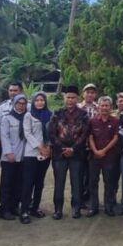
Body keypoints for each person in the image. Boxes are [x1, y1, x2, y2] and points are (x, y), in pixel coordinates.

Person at [51, 85, 91, 219]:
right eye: (68, 97)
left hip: (77, 154)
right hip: (59, 154)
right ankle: (58, 209)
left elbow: (84, 134)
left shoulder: (83, 114)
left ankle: (76, 208)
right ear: (64, 98)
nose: (70, 100)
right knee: (59, 182)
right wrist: (63, 148)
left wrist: (73, 148)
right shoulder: (57, 113)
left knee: (77, 182)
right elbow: (52, 133)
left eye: (73, 98)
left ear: (77, 98)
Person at [20, 92, 53, 223]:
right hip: (32, 153)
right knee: (28, 182)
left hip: (45, 154)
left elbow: (52, 132)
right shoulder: (28, 115)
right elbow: (27, 133)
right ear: (33, 102)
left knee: (40, 182)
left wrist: (48, 147)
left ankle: (35, 207)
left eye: (42, 100)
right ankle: (24, 210)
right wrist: (40, 147)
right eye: (37, 100)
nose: (40, 102)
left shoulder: (50, 115)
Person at [88, 96, 121, 216]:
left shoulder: (115, 121)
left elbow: (116, 138)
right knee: (93, 182)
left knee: (109, 182)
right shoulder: (92, 121)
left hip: (109, 156)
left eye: (107, 105)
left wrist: (104, 150)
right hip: (94, 157)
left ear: (110, 107)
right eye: (102, 105)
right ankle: (94, 207)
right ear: (98, 107)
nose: (104, 108)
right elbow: (90, 137)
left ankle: (108, 207)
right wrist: (96, 151)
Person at [0, 94, 28, 219]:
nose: (21, 106)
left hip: (22, 156)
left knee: (18, 183)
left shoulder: (27, 117)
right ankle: (4, 209)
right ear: (14, 104)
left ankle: (14, 206)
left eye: (23, 103)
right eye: (19, 103)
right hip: (9, 157)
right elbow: (4, 136)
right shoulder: (7, 118)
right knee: (7, 183)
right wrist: (8, 152)